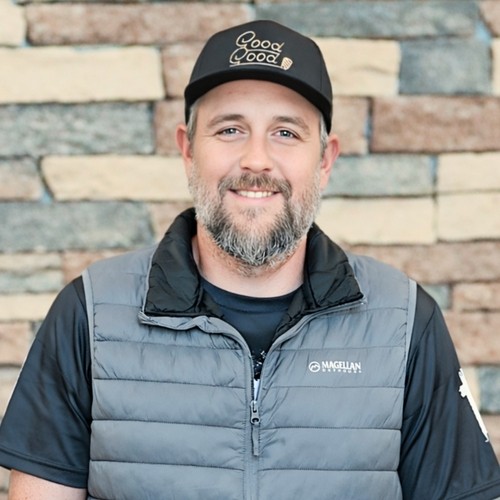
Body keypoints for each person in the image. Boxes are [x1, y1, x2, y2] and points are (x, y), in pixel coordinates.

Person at [0, 19, 499, 500]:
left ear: (325, 160)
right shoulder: (90, 315)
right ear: (187, 150)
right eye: (230, 130)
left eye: (286, 133)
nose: (256, 159)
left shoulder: (405, 322)